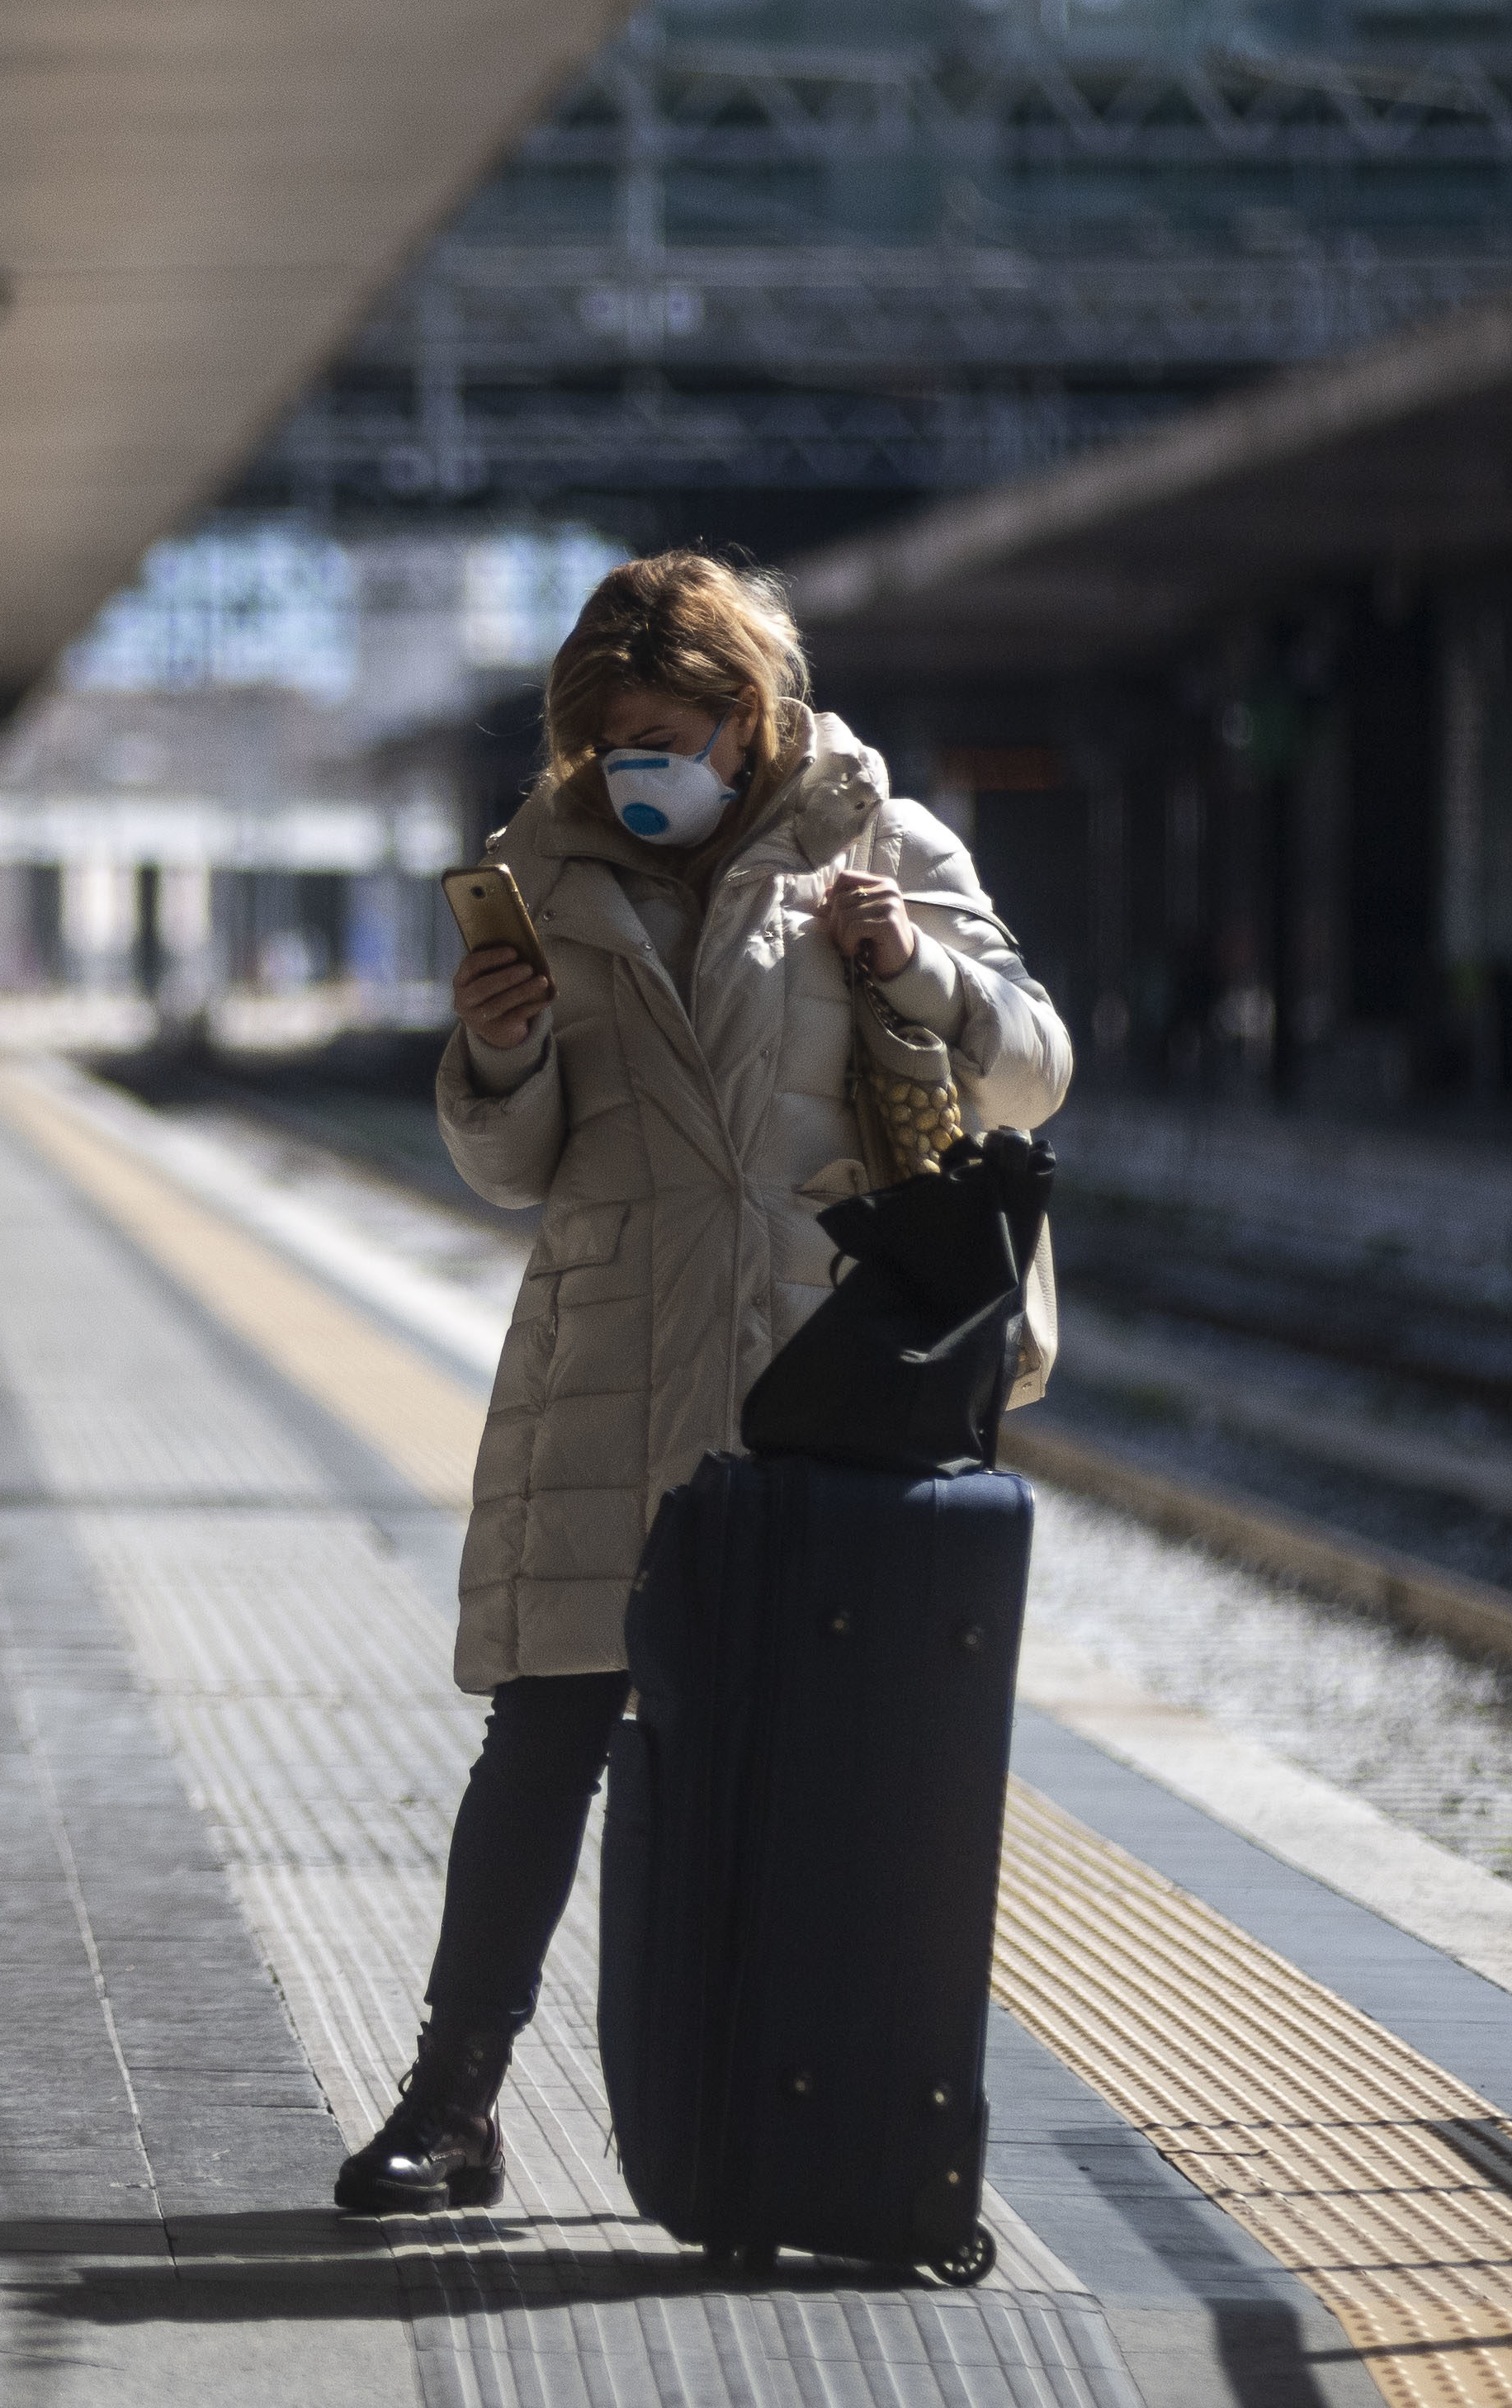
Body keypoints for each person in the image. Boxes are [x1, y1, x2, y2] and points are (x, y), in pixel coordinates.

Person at [336, 548, 1075, 2216]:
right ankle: (452, 2105)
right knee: (546, 1736)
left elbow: (1037, 1067)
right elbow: (512, 1165)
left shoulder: (881, 843)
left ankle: (792, 2117)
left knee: (813, 1763)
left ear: (747, 717)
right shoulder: (542, 865)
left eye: (665, 731)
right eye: (609, 739)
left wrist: (915, 971)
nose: (635, 766)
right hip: (611, 1363)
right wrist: (500, 1051)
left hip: (824, 1364)